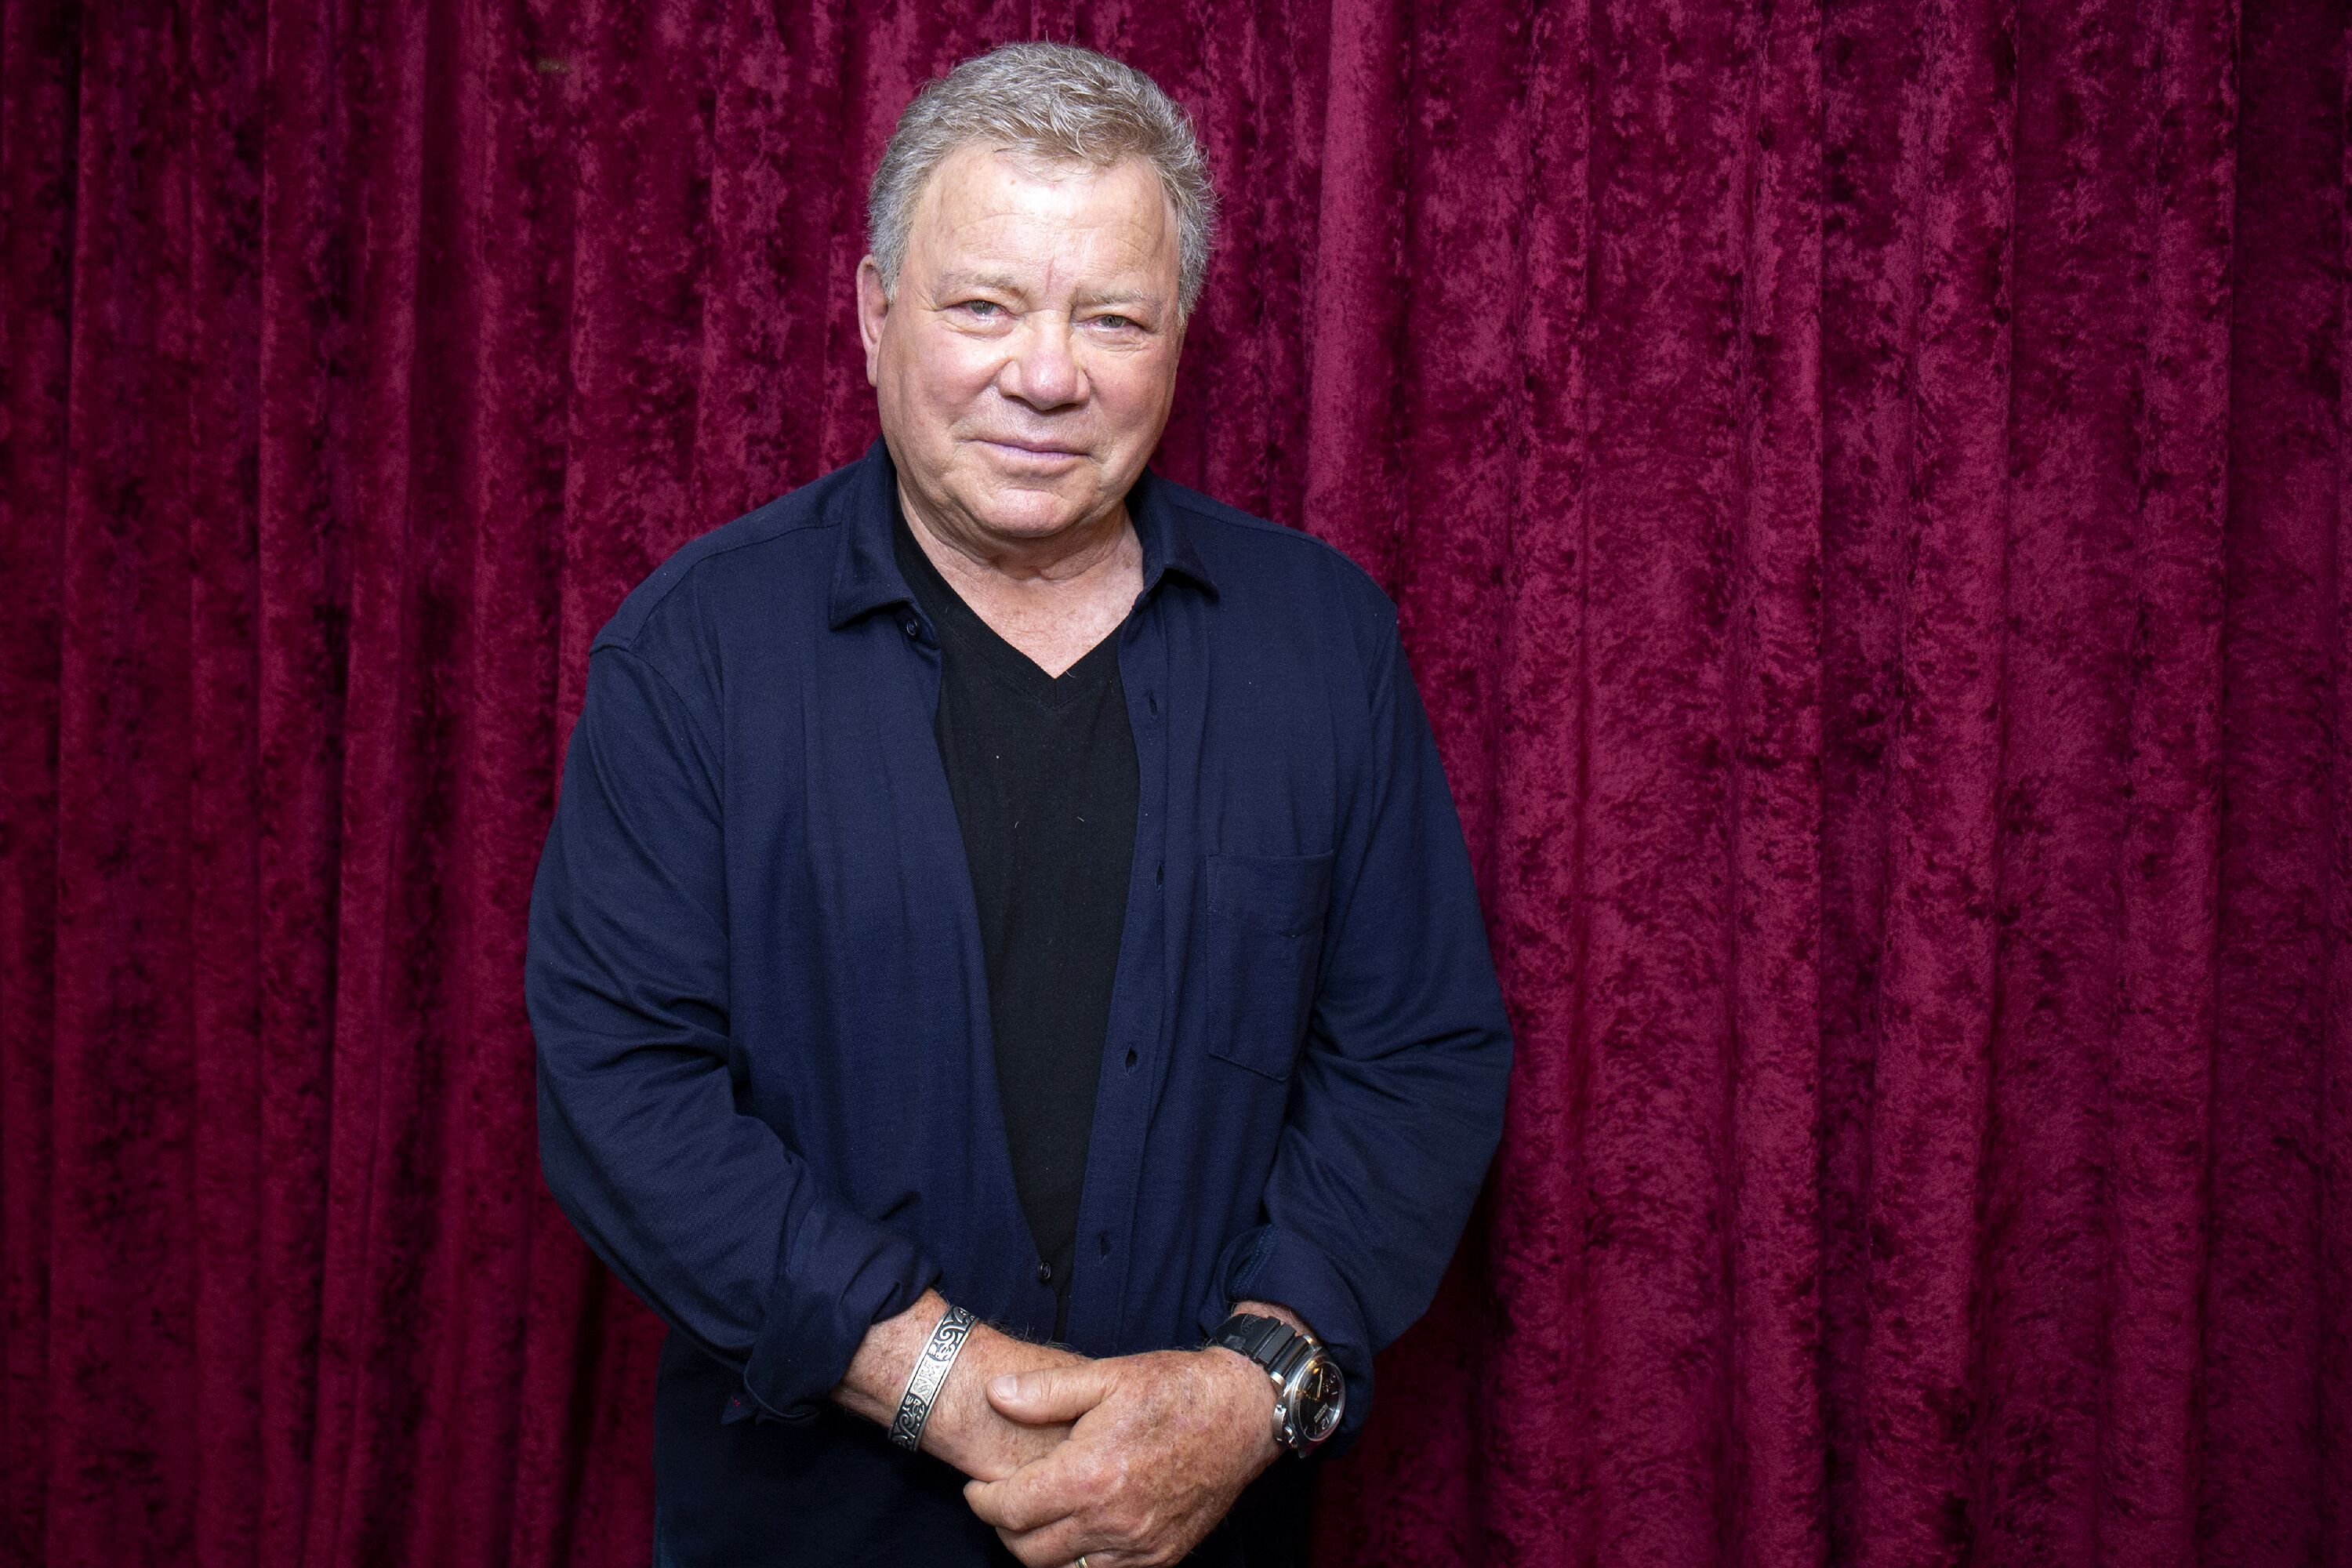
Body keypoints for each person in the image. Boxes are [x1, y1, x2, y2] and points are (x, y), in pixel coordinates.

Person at [526, 40, 1512, 1568]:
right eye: (984, 304)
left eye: (1109, 316)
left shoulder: (1325, 644)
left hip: (1215, 1535)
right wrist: (946, 1384)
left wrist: (1245, 1393)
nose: (1046, 373)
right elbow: (620, 1091)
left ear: (1176, 336)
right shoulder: (694, 654)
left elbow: (1417, 1058)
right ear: (874, 315)